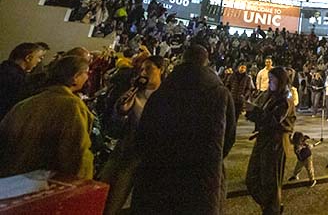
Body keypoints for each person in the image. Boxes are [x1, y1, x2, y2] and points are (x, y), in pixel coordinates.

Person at [131, 45, 236, 215]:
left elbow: (144, 132)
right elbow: (229, 136)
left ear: (183, 60)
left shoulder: (164, 90)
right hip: (201, 173)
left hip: (161, 171)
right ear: (206, 62)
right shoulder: (220, 93)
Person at [0, 54, 93, 178]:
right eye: (86, 73)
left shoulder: (25, 103)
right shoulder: (72, 106)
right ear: (75, 77)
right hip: (42, 182)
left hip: (11, 179)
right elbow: (76, 153)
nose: (87, 77)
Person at [99, 55, 164, 215]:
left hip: (145, 154)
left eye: (149, 68)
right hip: (124, 148)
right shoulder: (134, 92)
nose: (144, 73)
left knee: (118, 196)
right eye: (142, 69)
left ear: (161, 70)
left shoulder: (165, 96)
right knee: (102, 189)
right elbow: (116, 123)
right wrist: (121, 111)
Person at [245, 66, 296, 215]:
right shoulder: (271, 95)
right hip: (265, 139)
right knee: (253, 179)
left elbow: (274, 119)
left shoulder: (286, 98)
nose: (269, 82)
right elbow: (264, 115)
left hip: (276, 142)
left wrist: (254, 111)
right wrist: (251, 111)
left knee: (271, 181)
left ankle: (272, 209)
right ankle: (272, 206)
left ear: (280, 81)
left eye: (272, 80)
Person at [0, 42, 46, 121]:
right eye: (39, 57)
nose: (39, 61)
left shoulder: (3, 69)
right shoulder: (18, 79)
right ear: (28, 58)